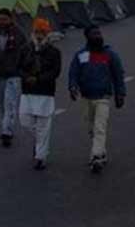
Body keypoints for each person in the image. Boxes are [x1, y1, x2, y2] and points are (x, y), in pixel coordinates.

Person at [68, 26, 127, 173]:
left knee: (100, 128)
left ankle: (96, 157)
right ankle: (102, 153)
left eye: (99, 33)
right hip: (86, 97)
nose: (98, 36)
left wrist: (120, 94)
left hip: (103, 97)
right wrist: (72, 87)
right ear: (87, 37)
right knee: (91, 129)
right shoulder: (81, 55)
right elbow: (73, 73)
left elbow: (118, 75)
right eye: (94, 34)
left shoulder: (109, 54)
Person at [18, 18, 62, 170]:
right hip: (27, 92)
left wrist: (38, 79)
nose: (39, 35)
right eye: (37, 32)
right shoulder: (25, 49)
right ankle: (40, 144)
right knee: (25, 121)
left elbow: (55, 72)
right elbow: (19, 68)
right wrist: (26, 78)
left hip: (45, 92)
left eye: (42, 32)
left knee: (43, 126)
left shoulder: (54, 52)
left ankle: (40, 157)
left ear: (47, 34)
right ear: (32, 33)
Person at [0, 8, 28, 147]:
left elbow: (25, 51)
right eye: (0, 19)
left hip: (13, 74)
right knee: (1, 104)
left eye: (5, 19)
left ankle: (6, 132)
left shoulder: (18, 33)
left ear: (10, 19)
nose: (2, 22)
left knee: (10, 103)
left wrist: (20, 67)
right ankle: (6, 125)